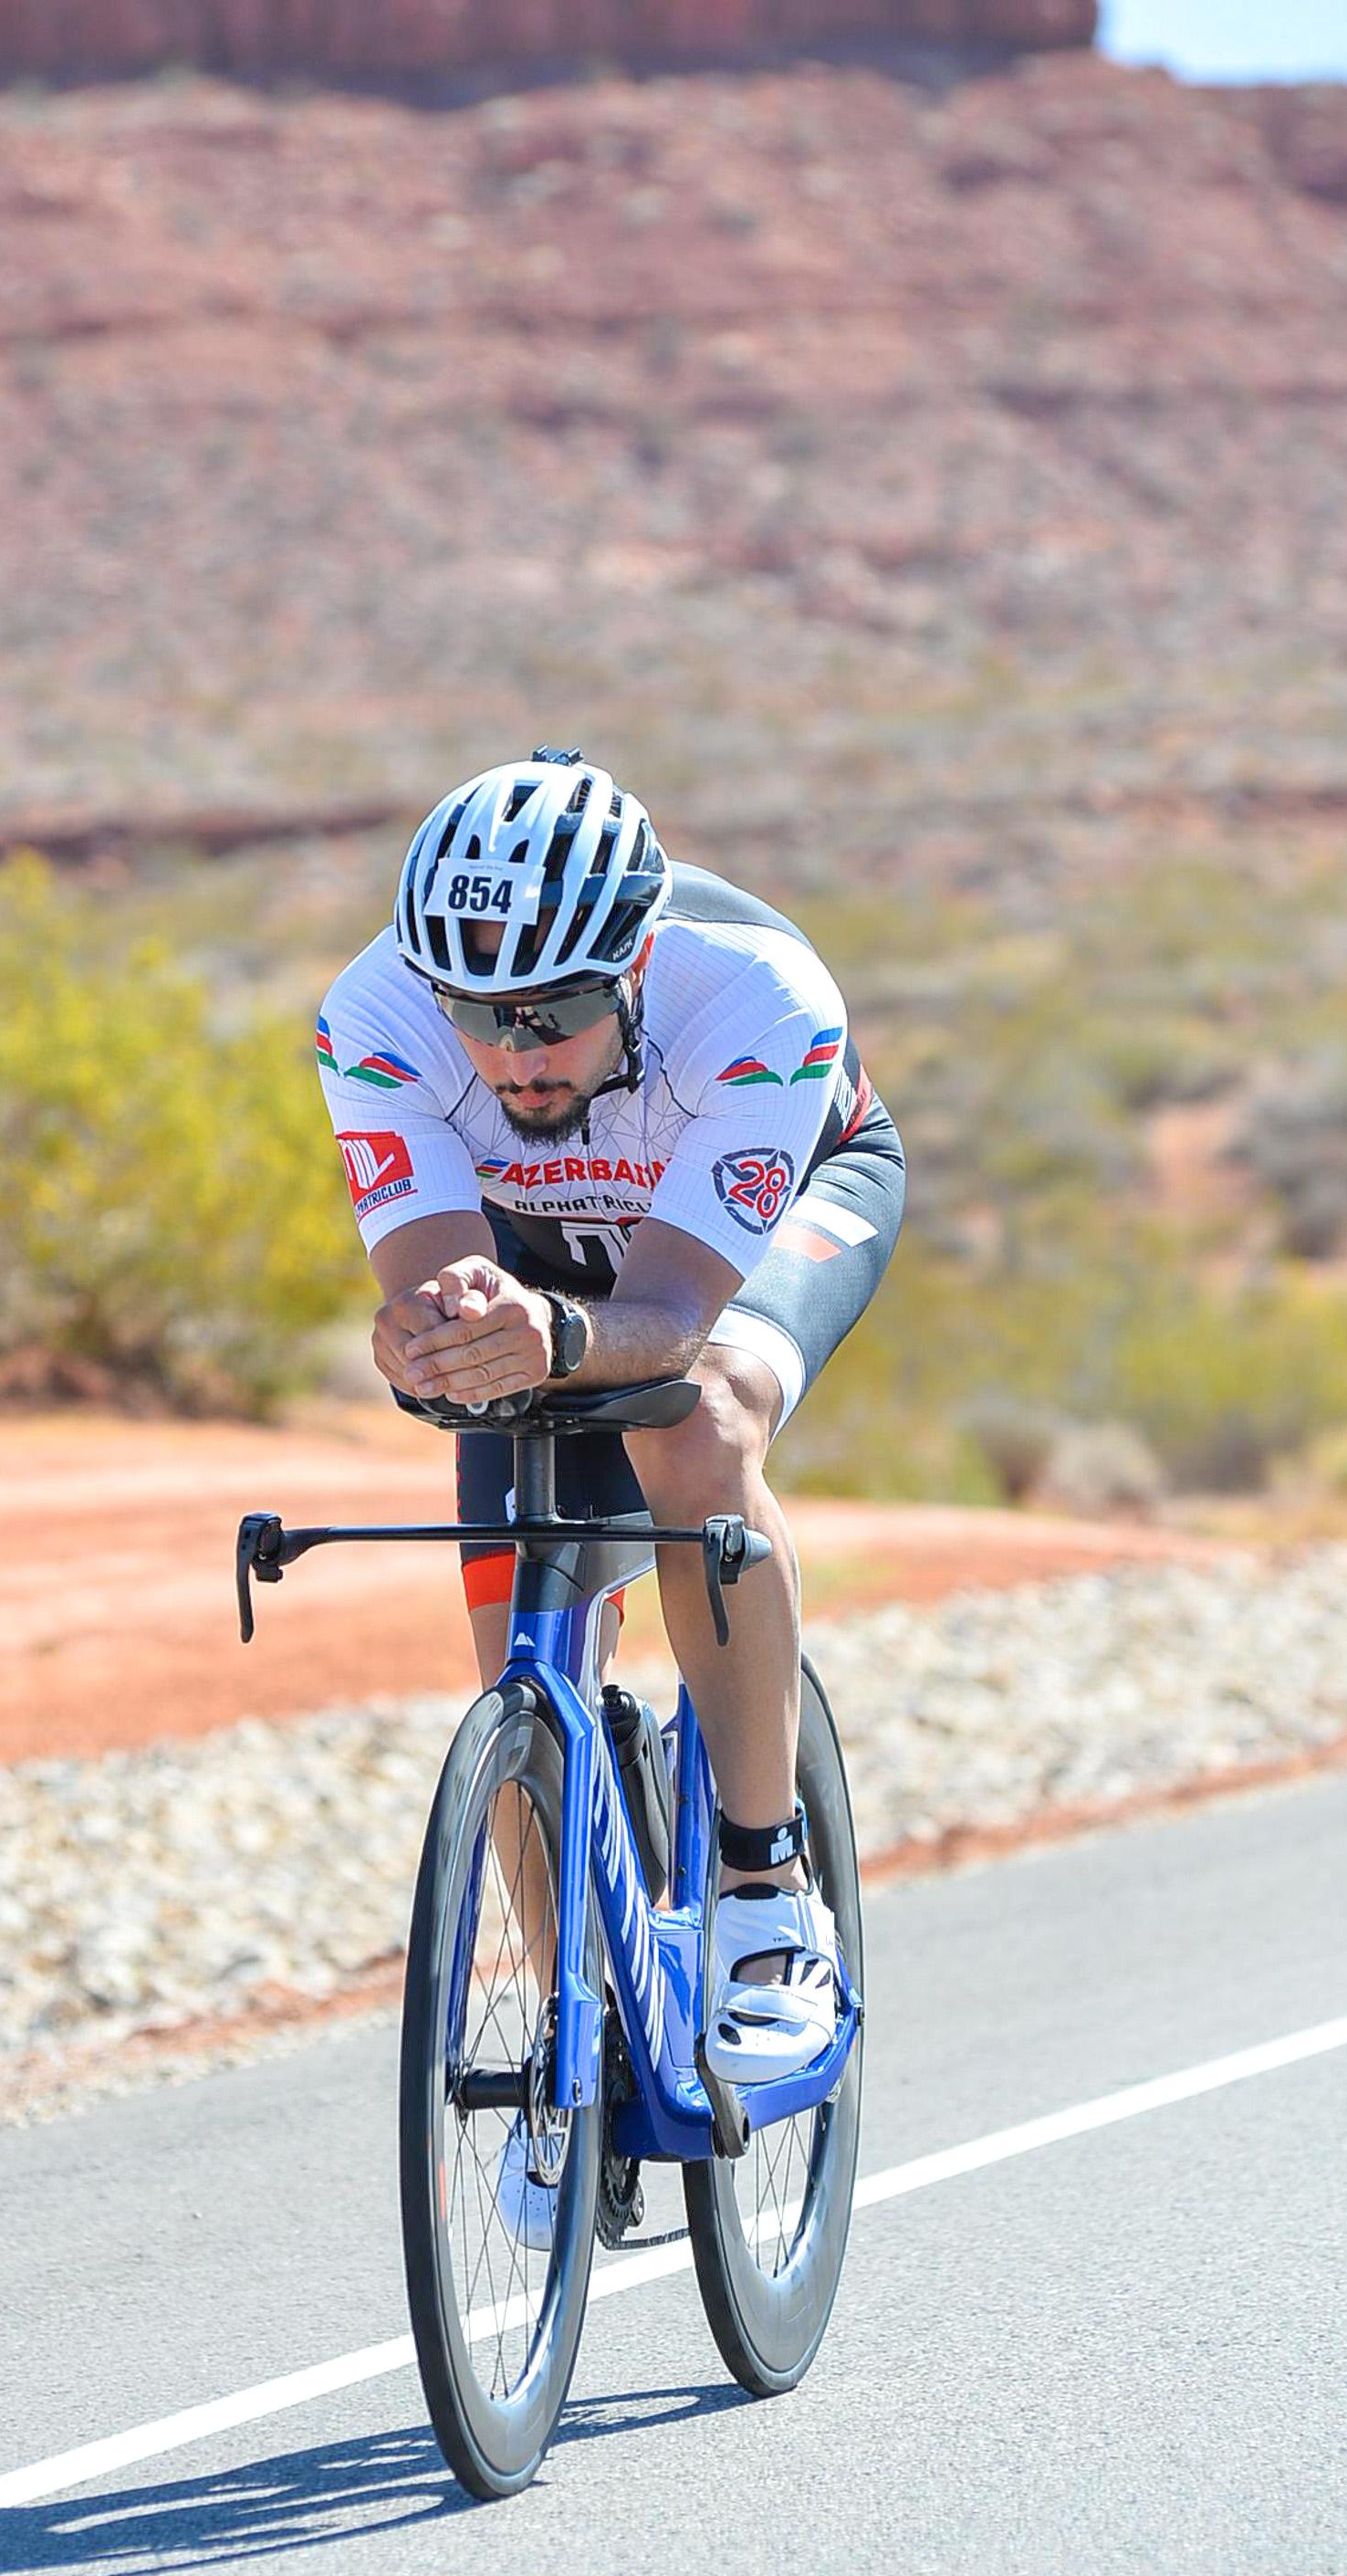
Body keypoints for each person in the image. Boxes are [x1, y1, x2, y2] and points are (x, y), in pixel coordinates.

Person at [317, 749, 905, 2152]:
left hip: (758, 1222)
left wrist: (558, 1346)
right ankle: (566, 2012)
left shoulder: (757, 1003)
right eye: (481, 1016)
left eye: (559, 1015)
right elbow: (449, 1291)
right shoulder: (374, 1016)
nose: (518, 1055)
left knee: (699, 1419)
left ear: (633, 963)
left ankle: (764, 1892)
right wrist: (435, 1342)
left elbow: (663, 1312)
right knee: (508, 1587)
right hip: (543, 1244)